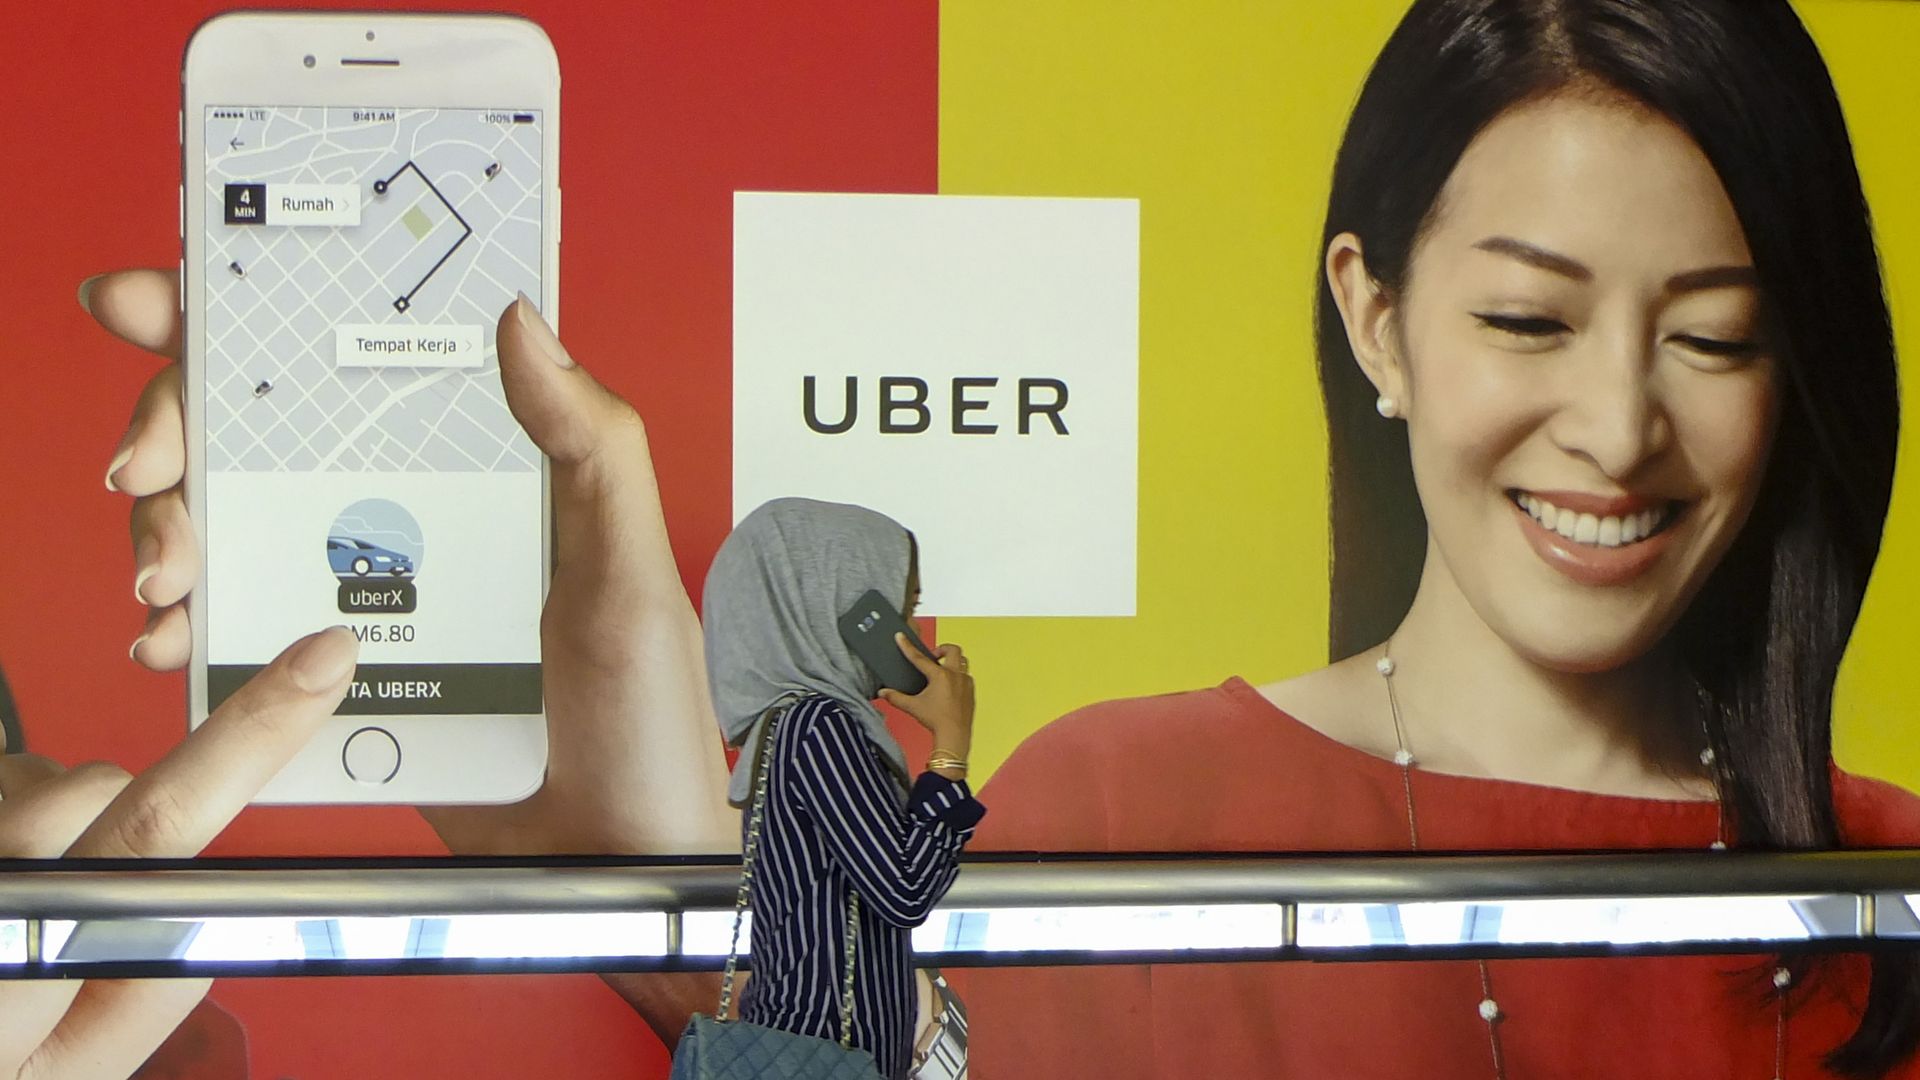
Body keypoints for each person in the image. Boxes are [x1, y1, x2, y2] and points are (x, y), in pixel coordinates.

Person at [945, 0, 1920, 1076]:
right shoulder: (1112, 818)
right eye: (1528, 321)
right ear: (1377, 323)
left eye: (1713, 338)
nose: (1618, 432)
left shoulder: (1893, 873)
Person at [701, 498, 984, 1080]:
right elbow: (905, 889)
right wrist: (951, 750)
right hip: (821, 1054)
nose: (912, 630)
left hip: (819, 1048)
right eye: (901, 607)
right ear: (830, 602)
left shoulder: (803, 725)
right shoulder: (817, 724)